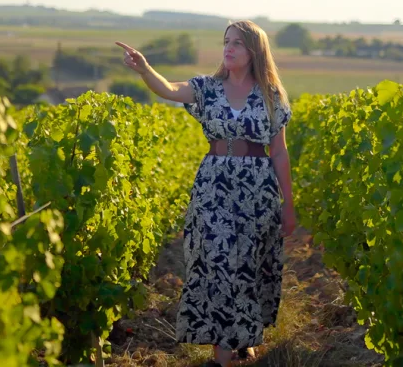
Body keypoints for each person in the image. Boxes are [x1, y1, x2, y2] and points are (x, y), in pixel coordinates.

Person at [116, 20, 296, 367]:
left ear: (254, 51)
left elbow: (279, 152)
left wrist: (288, 205)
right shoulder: (207, 88)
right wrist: (144, 68)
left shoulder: (272, 96)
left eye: (237, 44)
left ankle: (242, 337)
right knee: (216, 261)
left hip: (257, 190)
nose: (228, 48)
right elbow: (168, 89)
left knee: (248, 265)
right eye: (226, 42)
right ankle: (221, 356)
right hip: (213, 187)